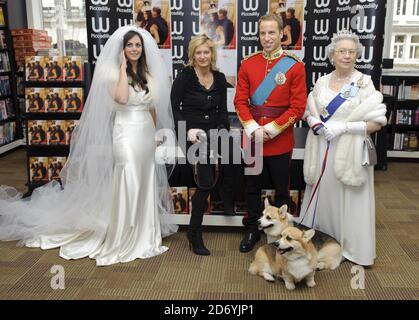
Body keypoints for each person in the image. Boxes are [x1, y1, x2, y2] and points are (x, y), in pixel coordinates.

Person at [0, 25, 178, 266]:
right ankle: (125, 233)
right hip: (125, 133)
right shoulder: (110, 71)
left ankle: (145, 232)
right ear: (122, 49)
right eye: (130, 45)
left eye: (137, 45)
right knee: (129, 178)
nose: (134, 49)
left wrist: (155, 133)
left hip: (145, 132)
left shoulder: (148, 72)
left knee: (144, 180)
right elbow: (122, 98)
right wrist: (123, 68)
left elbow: (152, 107)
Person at [299, 30, 387, 266]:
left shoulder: (364, 83)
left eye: (351, 52)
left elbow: (377, 122)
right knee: (326, 197)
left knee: (350, 198)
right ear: (332, 55)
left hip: (350, 151)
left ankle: (352, 248)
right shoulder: (322, 81)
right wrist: (314, 123)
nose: (346, 56)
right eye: (341, 51)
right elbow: (310, 111)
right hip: (323, 148)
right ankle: (324, 245)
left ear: (357, 55)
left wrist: (345, 127)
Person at [234, 14, 307, 252]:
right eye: (263, 33)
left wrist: (272, 129)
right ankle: (253, 229)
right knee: (252, 187)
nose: (267, 38)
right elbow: (240, 101)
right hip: (253, 139)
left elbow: (298, 107)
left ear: (281, 34)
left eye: (271, 33)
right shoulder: (248, 64)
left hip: (280, 139)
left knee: (281, 189)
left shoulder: (295, 66)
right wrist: (253, 128)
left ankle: (284, 234)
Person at [171, 34, 234, 255]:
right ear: (193, 55)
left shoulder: (219, 77)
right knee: (205, 180)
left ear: (212, 54)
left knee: (236, 156)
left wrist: (223, 130)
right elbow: (174, 107)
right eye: (198, 52)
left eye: (206, 52)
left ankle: (228, 202)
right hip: (189, 132)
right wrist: (187, 131)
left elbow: (224, 112)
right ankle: (194, 232)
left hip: (214, 130)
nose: (203, 56)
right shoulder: (185, 76)